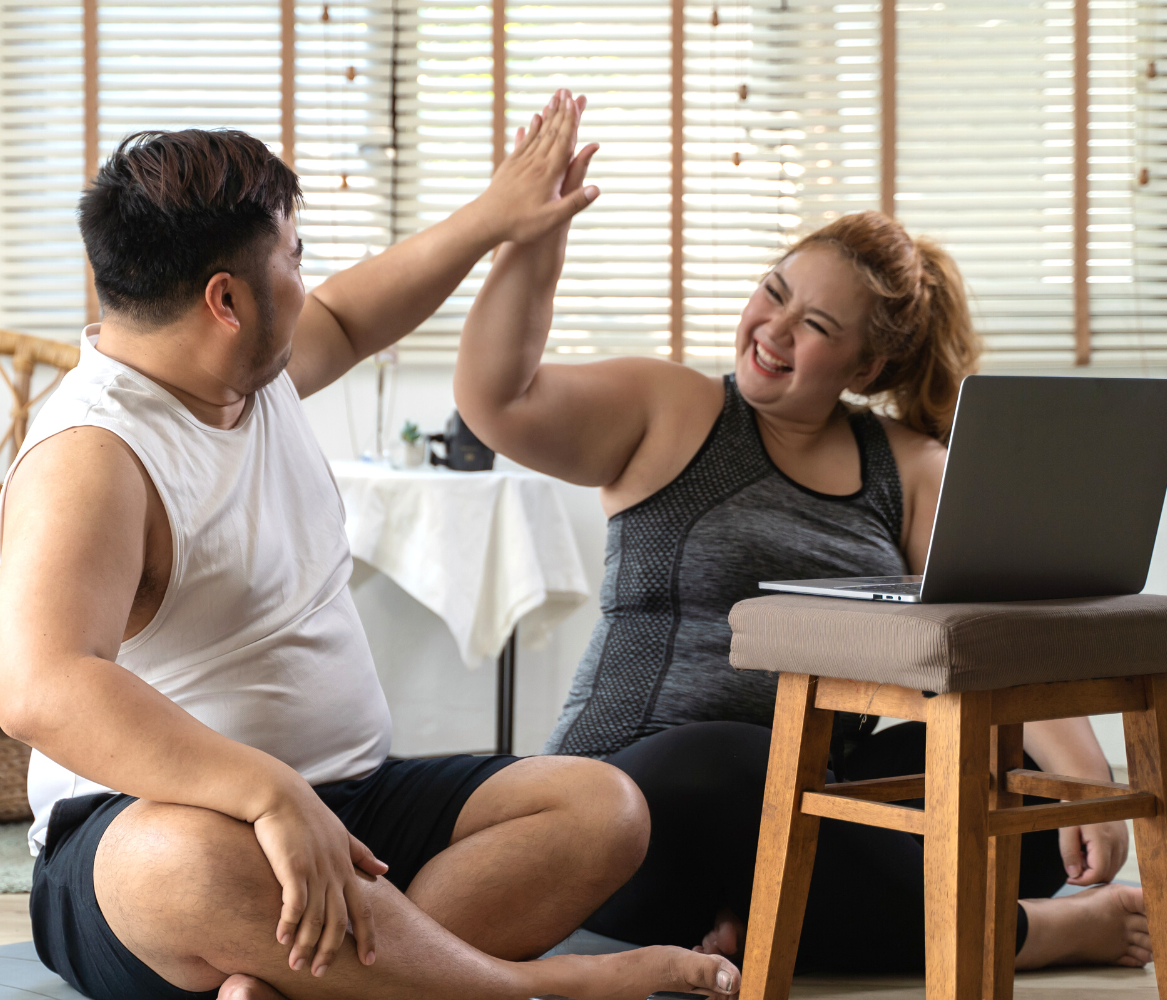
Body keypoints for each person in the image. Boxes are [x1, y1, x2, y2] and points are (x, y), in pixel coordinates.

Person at [0, 95, 741, 1000]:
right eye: (295, 261)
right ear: (226, 301)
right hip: (153, 835)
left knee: (601, 807)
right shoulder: (95, 454)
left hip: (352, 800)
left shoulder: (239, 370)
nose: (308, 284)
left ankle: (314, 981)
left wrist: (499, 218)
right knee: (180, 862)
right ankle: (528, 989)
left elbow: (350, 319)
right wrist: (265, 793)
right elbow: (41, 688)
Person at [454, 88, 1152, 975]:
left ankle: (772, 922)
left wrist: (1082, 786)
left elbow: (994, 630)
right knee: (744, 762)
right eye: (773, 294)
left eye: (815, 326)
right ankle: (1020, 936)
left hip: (809, 804)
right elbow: (496, 399)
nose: (772, 330)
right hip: (630, 806)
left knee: (993, 755)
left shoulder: (909, 466)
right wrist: (535, 235)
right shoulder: (675, 411)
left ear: (865, 364)